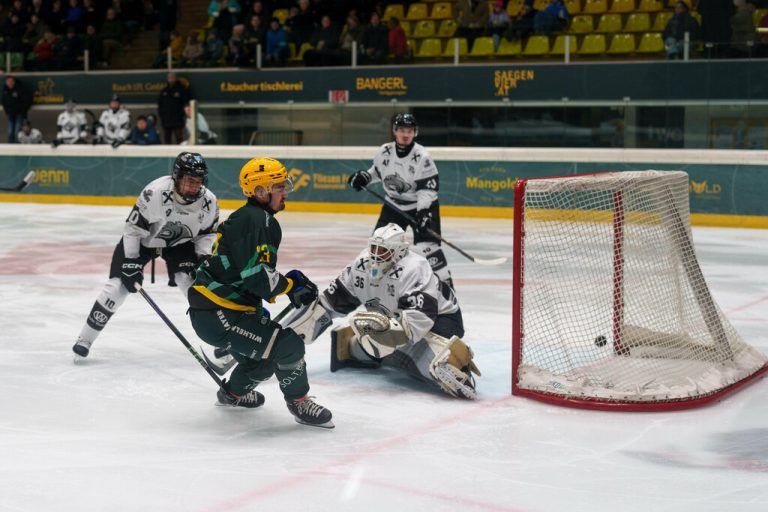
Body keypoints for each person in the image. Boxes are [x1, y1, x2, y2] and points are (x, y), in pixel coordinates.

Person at [187, 157, 334, 429]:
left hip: (216, 311)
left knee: (264, 360)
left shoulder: (251, 217)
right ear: (260, 191)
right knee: (288, 345)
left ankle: (232, 394)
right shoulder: (260, 220)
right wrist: (291, 287)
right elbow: (257, 279)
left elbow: (249, 274)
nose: (285, 191)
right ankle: (300, 403)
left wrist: (282, 287)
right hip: (220, 312)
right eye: (279, 186)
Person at [284, 223, 480, 399]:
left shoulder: (414, 267)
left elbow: (419, 320)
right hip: (394, 316)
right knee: (379, 343)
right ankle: (358, 347)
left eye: (384, 250)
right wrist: (294, 331)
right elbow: (331, 301)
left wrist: (386, 337)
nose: (376, 255)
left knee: (402, 347)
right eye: (374, 248)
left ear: (400, 252)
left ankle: (447, 366)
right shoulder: (361, 265)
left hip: (442, 319)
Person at [72, 152, 219, 359]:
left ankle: (220, 338)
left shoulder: (209, 201)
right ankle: (85, 339)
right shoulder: (155, 193)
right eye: (189, 181)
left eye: (198, 182)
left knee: (193, 284)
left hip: (180, 243)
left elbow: (207, 233)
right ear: (176, 177)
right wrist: (131, 261)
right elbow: (133, 228)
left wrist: (203, 257)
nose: (194, 187)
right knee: (117, 287)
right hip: (142, 241)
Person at [347, 113, 454, 289]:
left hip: (421, 206)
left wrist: (424, 212)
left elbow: (427, 190)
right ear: (395, 131)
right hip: (394, 206)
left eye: (410, 131)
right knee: (380, 244)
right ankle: (375, 283)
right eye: (402, 130)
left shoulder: (422, 157)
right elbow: (377, 172)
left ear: (415, 133)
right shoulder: (384, 151)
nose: (406, 134)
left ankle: (445, 285)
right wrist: (365, 177)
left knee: (429, 247)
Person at [157, 72, 190, 144]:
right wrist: (162, 115)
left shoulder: (181, 90)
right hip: (166, 119)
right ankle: (166, 154)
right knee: (167, 138)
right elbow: (160, 105)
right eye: (169, 78)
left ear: (175, 79)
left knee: (179, 138)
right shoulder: (164, 91)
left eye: (172, 78)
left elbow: (185, 104)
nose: (171, 80)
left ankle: (181, 154)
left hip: (177, 119)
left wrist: (181, 114)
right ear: (167, 79)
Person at [2, 75, 32, 144]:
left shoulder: (20, 89)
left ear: (14, 82)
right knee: (10, 132)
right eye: (8, 81)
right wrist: (7, 111)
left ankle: (18, 147)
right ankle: (10, 147)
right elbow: (4, 101)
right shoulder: (5, 90)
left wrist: (22, 111)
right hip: (10, 114)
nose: (9, 83)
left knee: (17, 132)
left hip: (19, 114)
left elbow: (27, 101)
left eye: (11, 81)